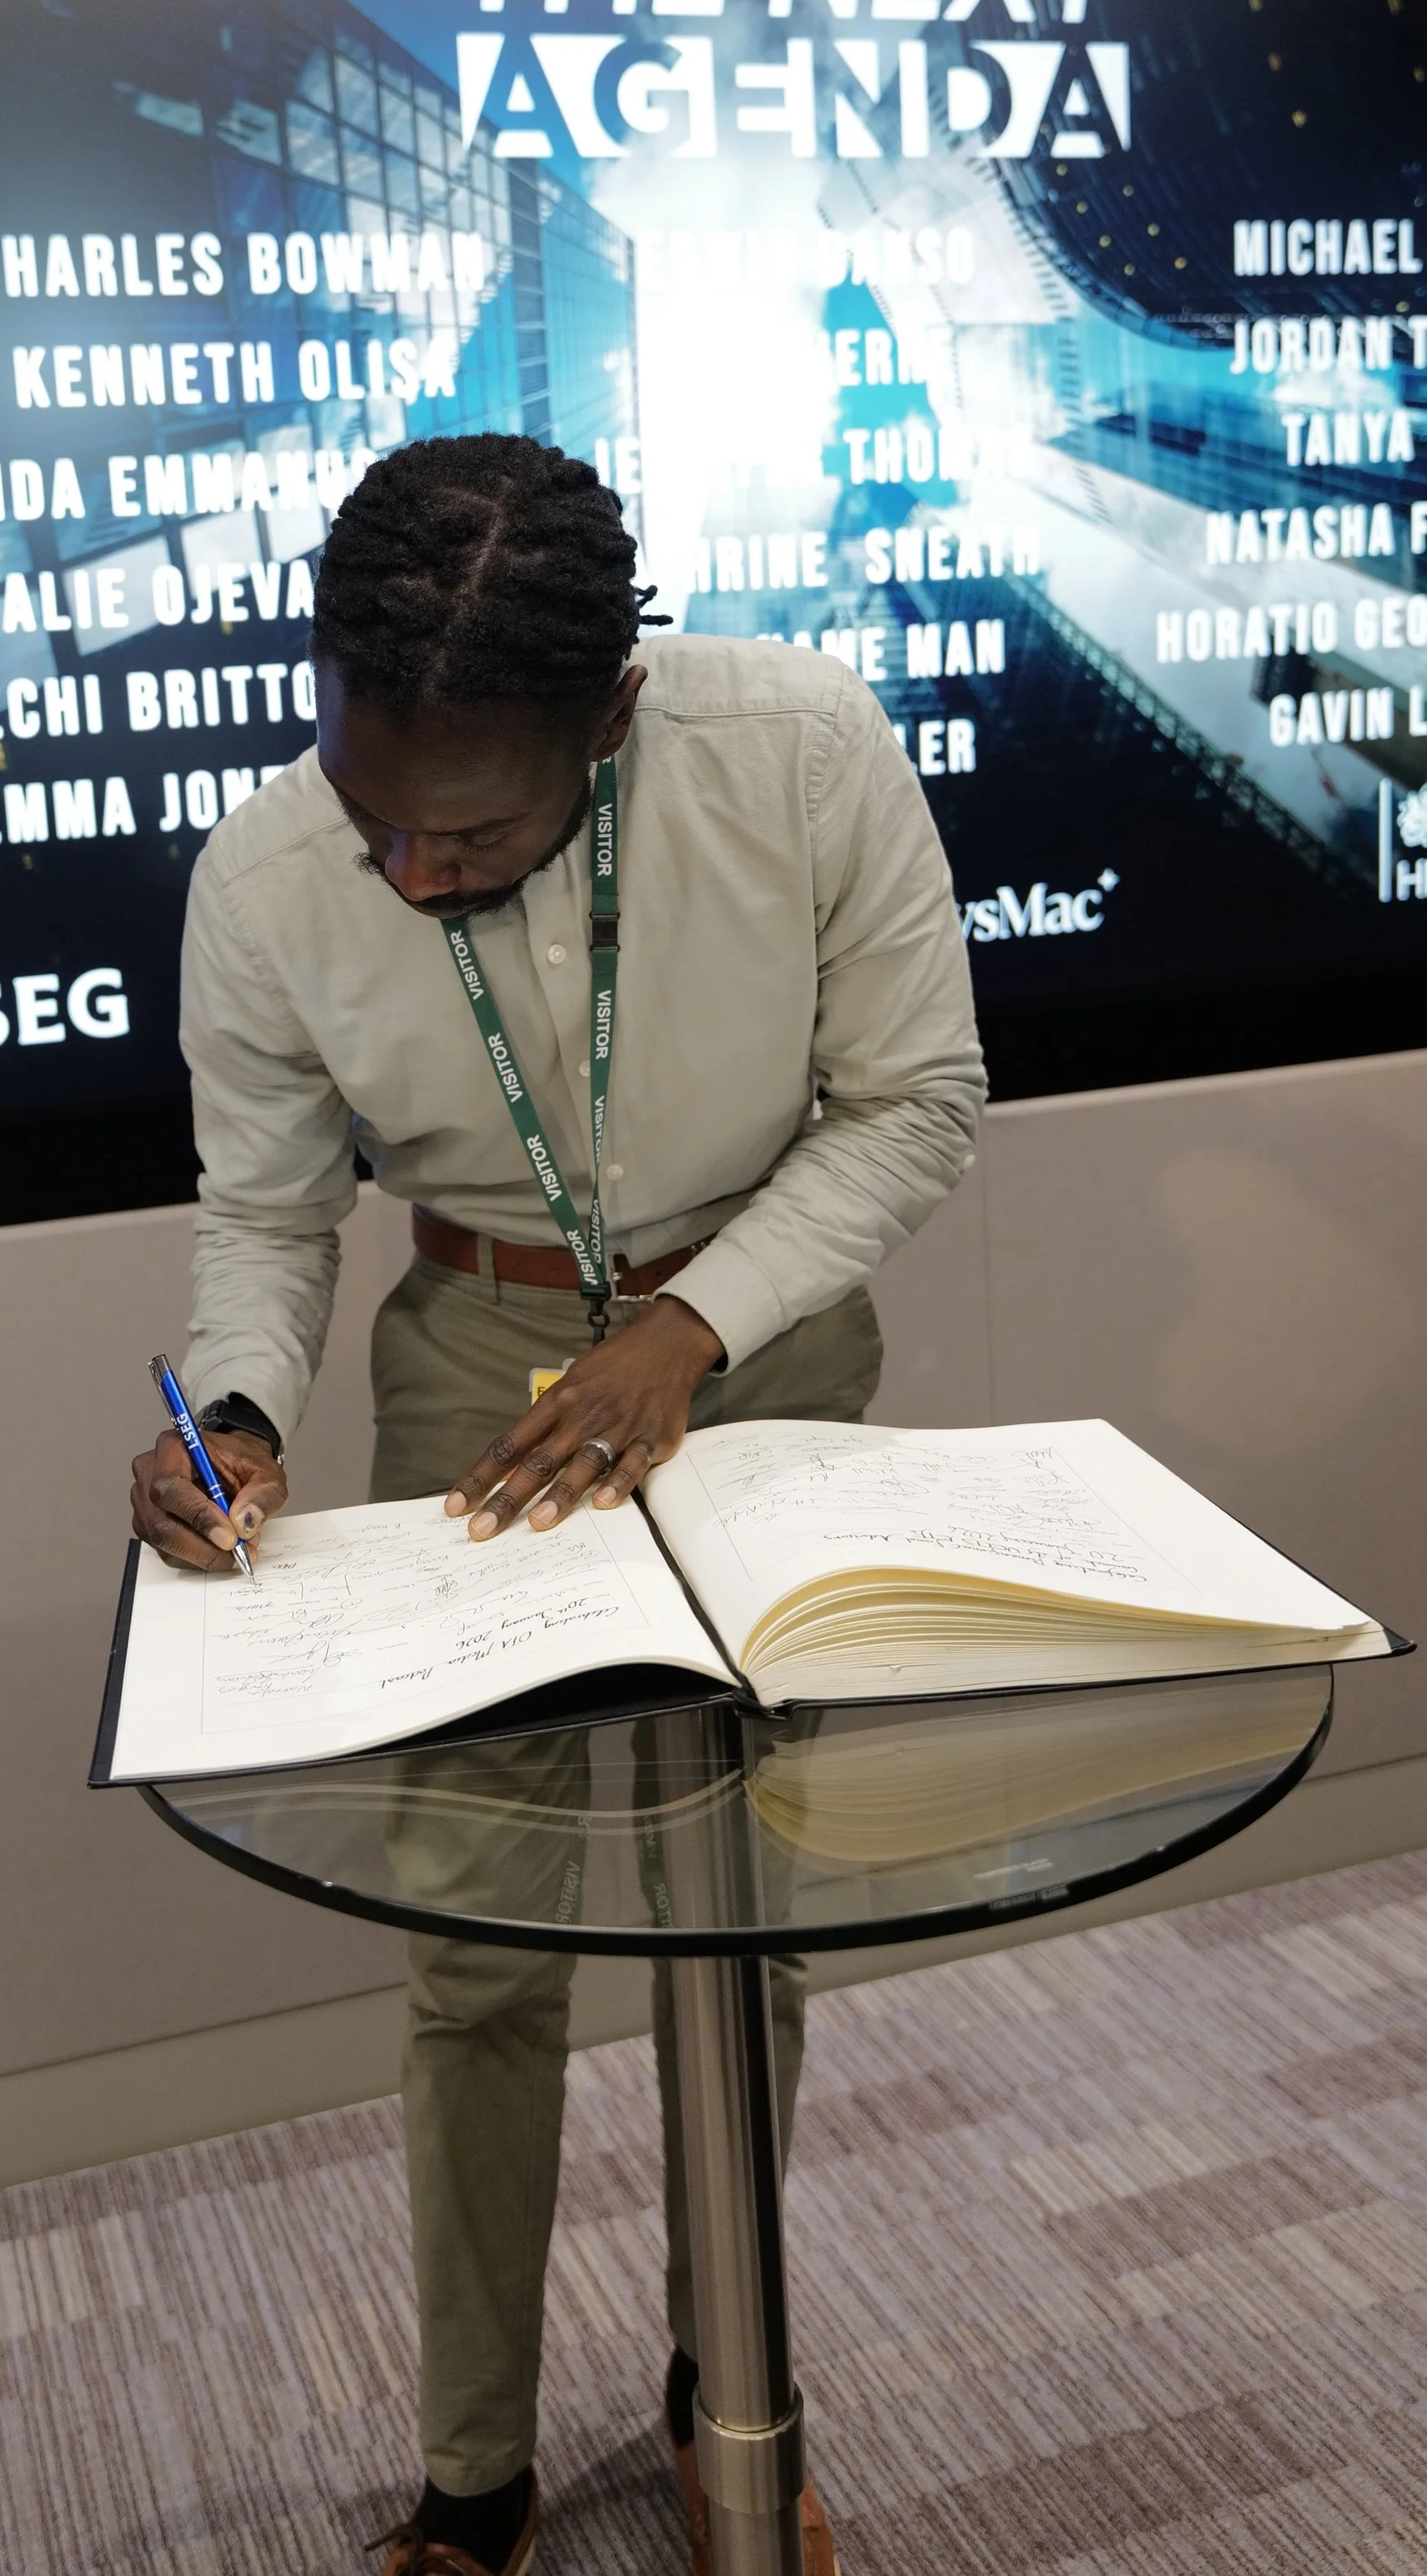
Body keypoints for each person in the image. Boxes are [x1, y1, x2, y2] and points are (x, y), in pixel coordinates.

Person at [131, 433, 984, 2576]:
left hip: (766, 1354)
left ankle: (735, 2401)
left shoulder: (795, 754)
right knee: (471, 1948)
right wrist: (235, 1404)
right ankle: (471, 2471)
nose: (407, 871)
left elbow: (913, 1100)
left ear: (608, 715)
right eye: (370, 814)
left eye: (475, 831)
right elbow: (264, 1219)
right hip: (464, 1372)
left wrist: (682, 1334)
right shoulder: (259, 873)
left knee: (745, 1926)